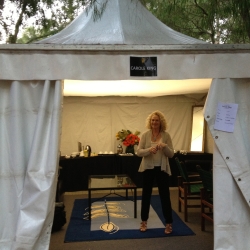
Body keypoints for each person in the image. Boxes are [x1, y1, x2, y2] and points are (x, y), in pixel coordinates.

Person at [137, 110, 174, 234]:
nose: (154, 122)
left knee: (165, 196)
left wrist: (164, 147)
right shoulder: (145, 135)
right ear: (150, 121)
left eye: (156, 120)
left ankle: (168, 223)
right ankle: (144, 221)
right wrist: (149, 150)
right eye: (152, 120)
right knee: (146, 196)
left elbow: (171, 154)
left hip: (162, 169)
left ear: (160, 122)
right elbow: (138, 152)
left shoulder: (166, 135)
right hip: (148, 168)